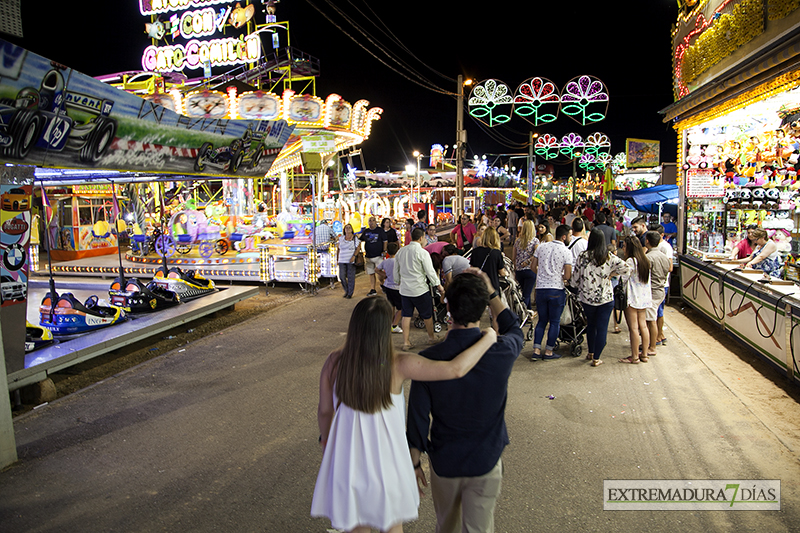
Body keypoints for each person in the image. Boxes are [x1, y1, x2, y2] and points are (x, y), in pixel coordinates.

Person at [312, 297, 496, 533]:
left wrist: (327, 443)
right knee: (392, 525)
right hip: (387, 462)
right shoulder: (399, 364)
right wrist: (489, 338)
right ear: (386, 327)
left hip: (348, 459)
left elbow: (325, 412)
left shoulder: (334, 362)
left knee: (356, 523)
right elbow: (455, 369)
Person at [406, 270, 522, 533]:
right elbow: (514, 326)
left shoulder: (428, 359)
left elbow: (418, 419)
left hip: (446, 462)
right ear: (482, 308)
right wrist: (491, 293)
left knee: (446, 526)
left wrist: (414, 463)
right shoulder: (501, 350)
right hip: (485, 460)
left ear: (448, 306)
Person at [571, 228, 630, 366]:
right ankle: (596, 358)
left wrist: (574, 284)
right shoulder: (608, 257)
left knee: (591, 325)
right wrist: (612, 274)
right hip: (605, 299)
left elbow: (575, 278)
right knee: (602, 328)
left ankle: (591, 352)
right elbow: (627, 268)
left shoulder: (582, 256)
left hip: (587, 298)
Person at [394, 228, 445, 350]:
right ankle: (431, 338)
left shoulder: (401, 251)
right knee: (427, 315)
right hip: (420, 289)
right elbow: (430, 272)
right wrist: (438, 285)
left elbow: (396, 271)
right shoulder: (422, 253)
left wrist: (398, 282)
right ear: (421, 238)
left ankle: (406, 342)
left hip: (405, 290)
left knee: (406, 315)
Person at [531, 224, 573, 359]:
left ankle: (536, 351)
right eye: (570, 236)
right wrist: (557, 277)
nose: (571, 238)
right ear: (564, 236)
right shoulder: (566, 251)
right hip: (556, 289)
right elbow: (567, 276)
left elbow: (533, 267)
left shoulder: (541, 247)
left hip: (541, 289)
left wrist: (542, 274)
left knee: (541, 321)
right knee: (554, 322)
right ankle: (549, 351)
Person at [619, 236, 651, 364]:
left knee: (633, 328)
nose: (623, 248)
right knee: (643, 326)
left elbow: (623, 278)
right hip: (643, 297)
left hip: (632, 297)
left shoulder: (631, 261)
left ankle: (634, 356)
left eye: (625, 246)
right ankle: (644, 355)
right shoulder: (644, 260)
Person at [643, 231, 671, 359]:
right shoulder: (663, 256)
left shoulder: (649, 257)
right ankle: (649, 344)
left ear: (647, 241)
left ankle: (652, 347)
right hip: (660, 289)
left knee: (651, 320)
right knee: (652, 318)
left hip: (652, 291)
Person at [469, 226, 507, 297]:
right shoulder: (496, 253)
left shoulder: (475, 251)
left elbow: (472, 269)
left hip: (478, 287)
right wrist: (506, 273)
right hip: (492, 287)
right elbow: (501, 272)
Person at [377, 242, 403, 334]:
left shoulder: (385, 261)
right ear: (397, 251)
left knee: (391, 306)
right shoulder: (399, 262)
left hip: (388, 286)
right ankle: (395, 325)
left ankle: (390, 323)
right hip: (397, 287)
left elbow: (376, 269)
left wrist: (384, 275)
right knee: (401, 308)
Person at [512, 219, 539, 309]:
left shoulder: (518, 241)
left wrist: (515, 269)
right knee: (527, 294)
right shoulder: (535, 241)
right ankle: (523, 312)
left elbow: (514, 257)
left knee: (523, 292)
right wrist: (528, 261)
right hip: (530, 269)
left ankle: (528, 311)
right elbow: (536, 254)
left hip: (519, 270)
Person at [361, 216, 388, 296]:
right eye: (370, 221)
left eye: (373, 220)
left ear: (376, 222)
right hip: (368, 256)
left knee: (379, 272)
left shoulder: (380, 230)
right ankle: (373, 289)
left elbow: (385, 241)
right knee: (371, 273)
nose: (371, 222)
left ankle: (383, 283)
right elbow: (360, 239)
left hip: (378, 255)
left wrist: (384, 250)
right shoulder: (366, 231)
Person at [338, 224, 360, 299]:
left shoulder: (355, 238)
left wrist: (354, 256)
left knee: (351, 277)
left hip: (351, 260)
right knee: (342, 276)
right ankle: (346, 290)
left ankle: (350, 293)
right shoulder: (341, 238)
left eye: (349, 228)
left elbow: (358, 248)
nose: (348, 229)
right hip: (342, 259)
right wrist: (337, 258)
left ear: (352, 229)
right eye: (346, 228)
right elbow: (338, 249)